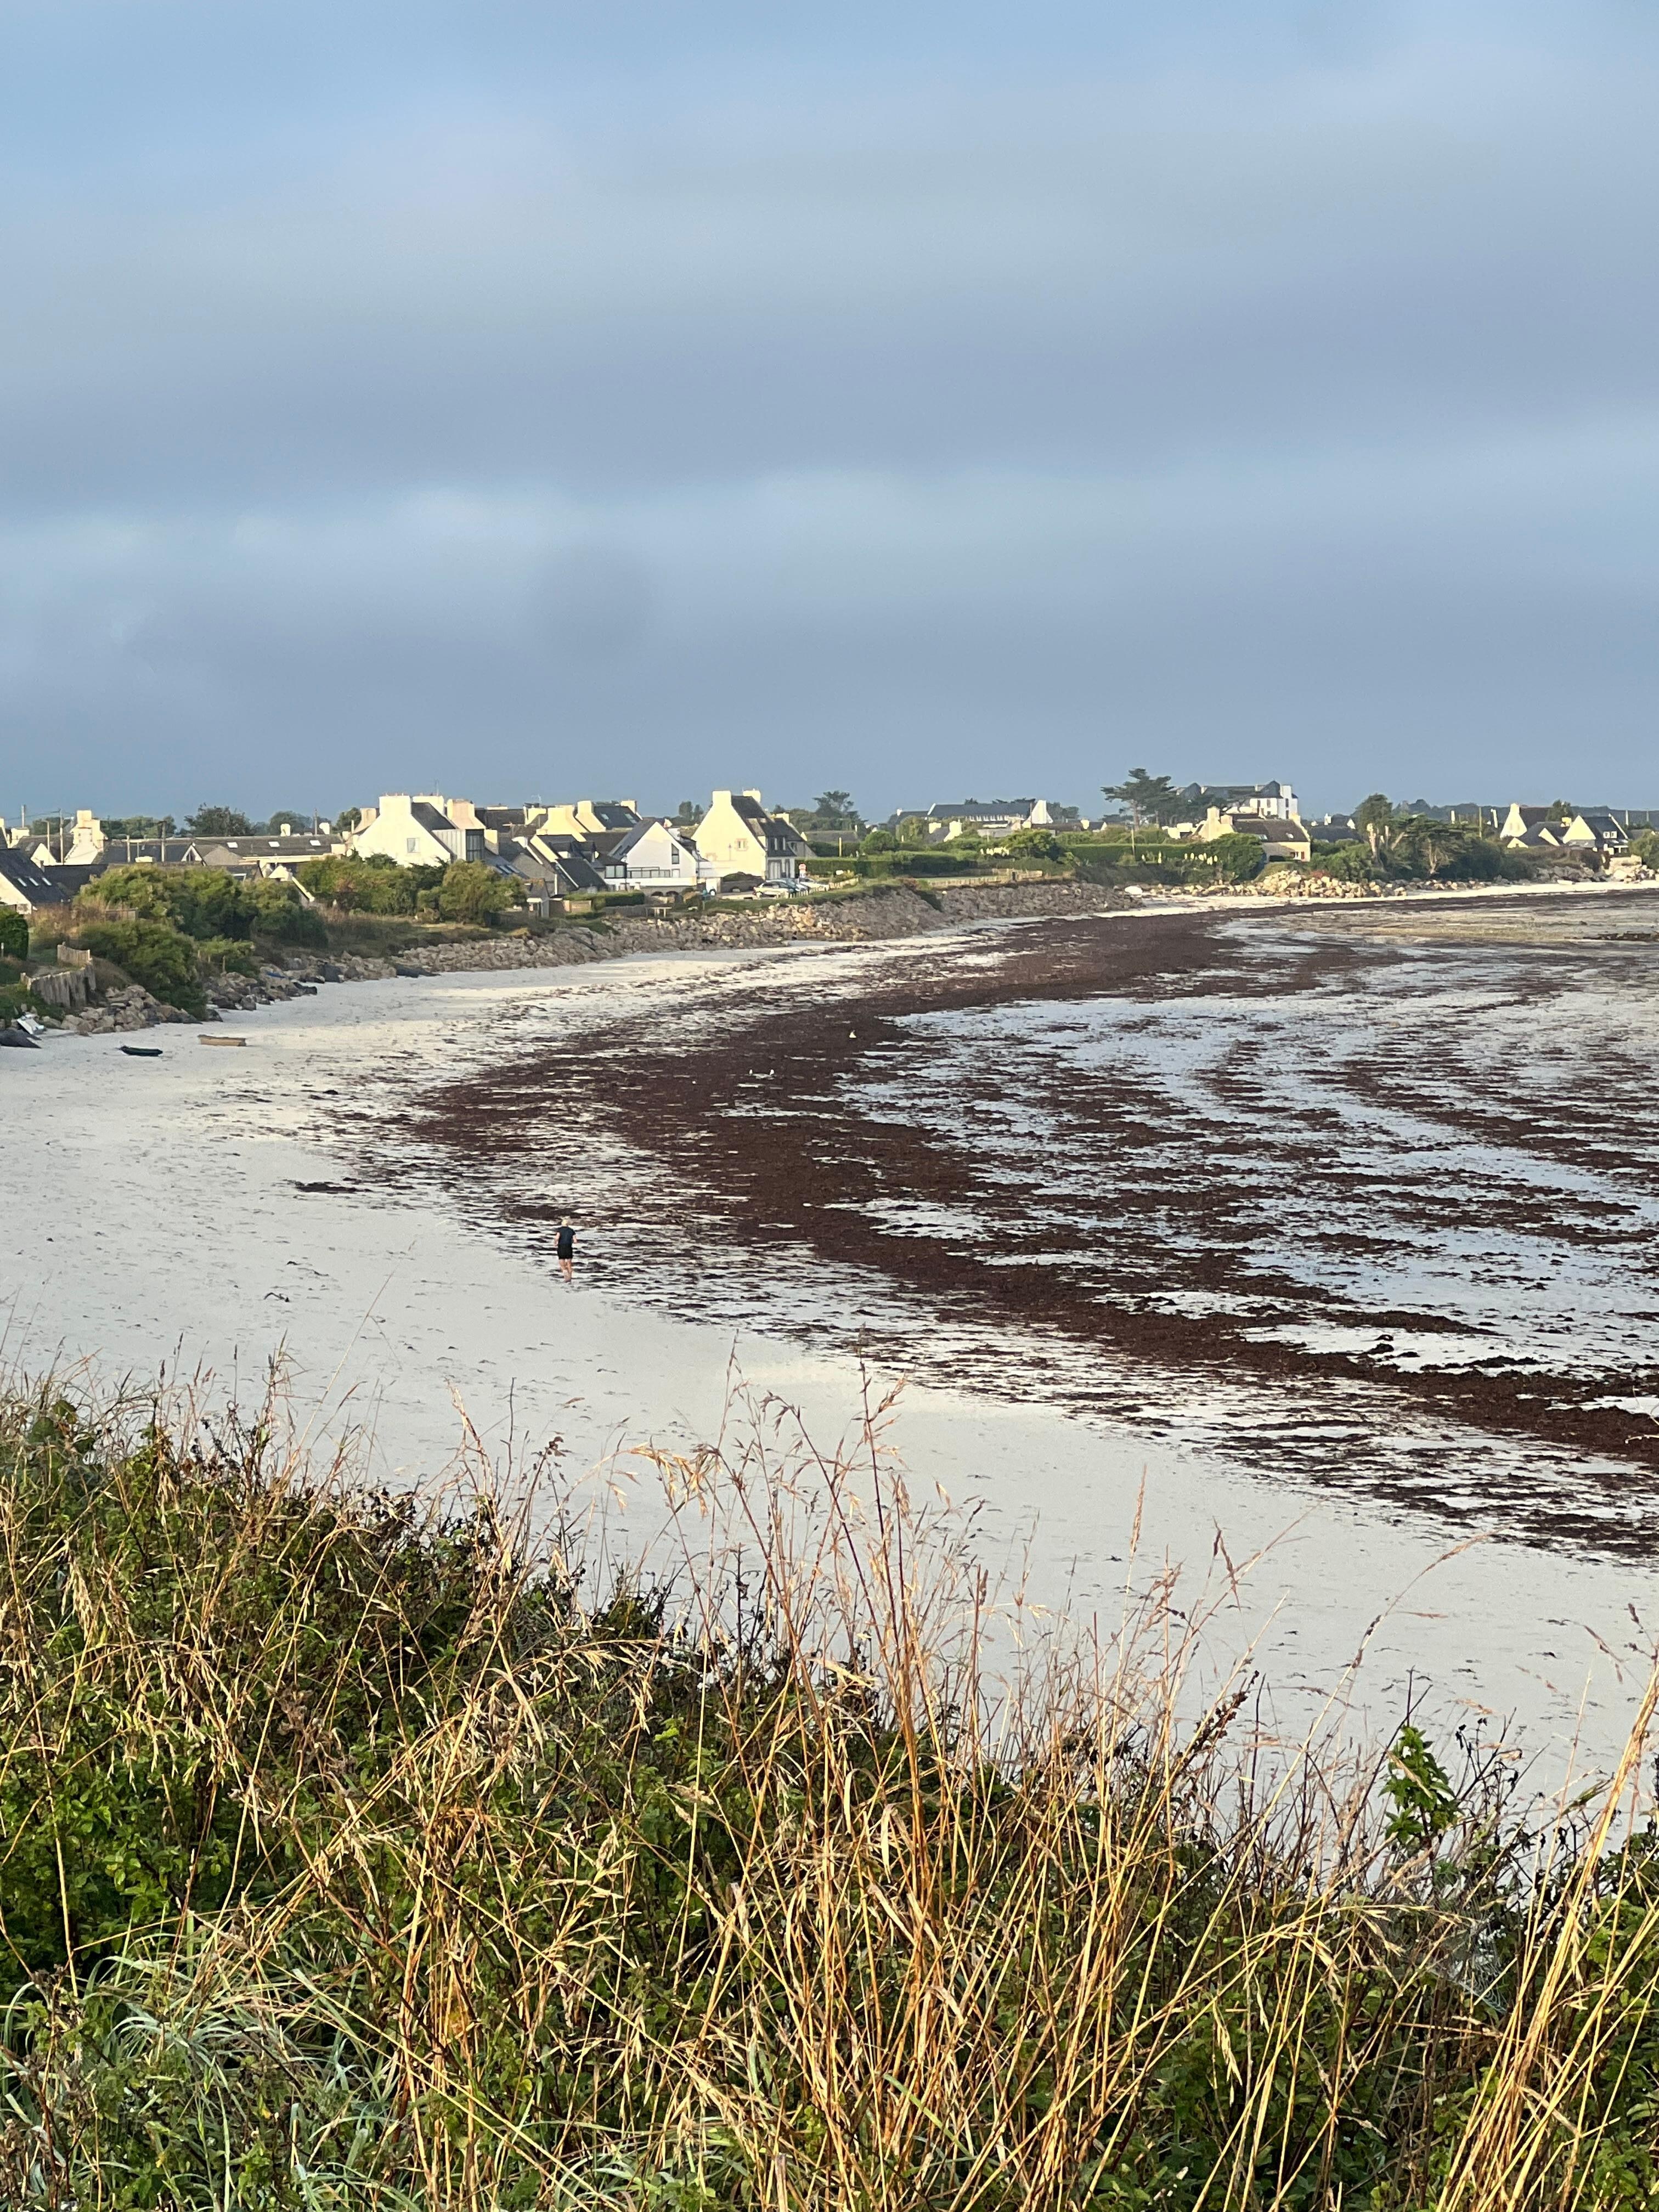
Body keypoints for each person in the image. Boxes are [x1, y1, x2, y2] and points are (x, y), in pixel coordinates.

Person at [556, 1218, 575, 1283]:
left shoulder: (560, 1230)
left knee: (562, 1264)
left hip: (561, 1247)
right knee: (569, 1264)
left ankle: (566, 1277)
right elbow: (575, 1241)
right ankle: (570, 1278)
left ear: (562, 1224)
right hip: (569, 1247)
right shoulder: (572, 1231)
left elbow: (557, 1238)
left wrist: (555, 1243)